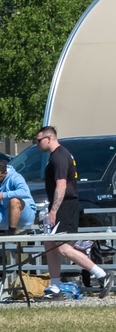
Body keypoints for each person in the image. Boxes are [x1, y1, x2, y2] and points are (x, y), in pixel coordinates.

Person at [37, 126, 114, 295]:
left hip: (65, 205)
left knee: (63, 247)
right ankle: (55, 286)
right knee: (49, 243)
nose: (37, 144)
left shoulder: (60, 157)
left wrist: (54, 210)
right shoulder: (57, 156)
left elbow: (62, 184)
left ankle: (102, 274)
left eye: (39, 140)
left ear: (49, 138)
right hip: (61, 205)